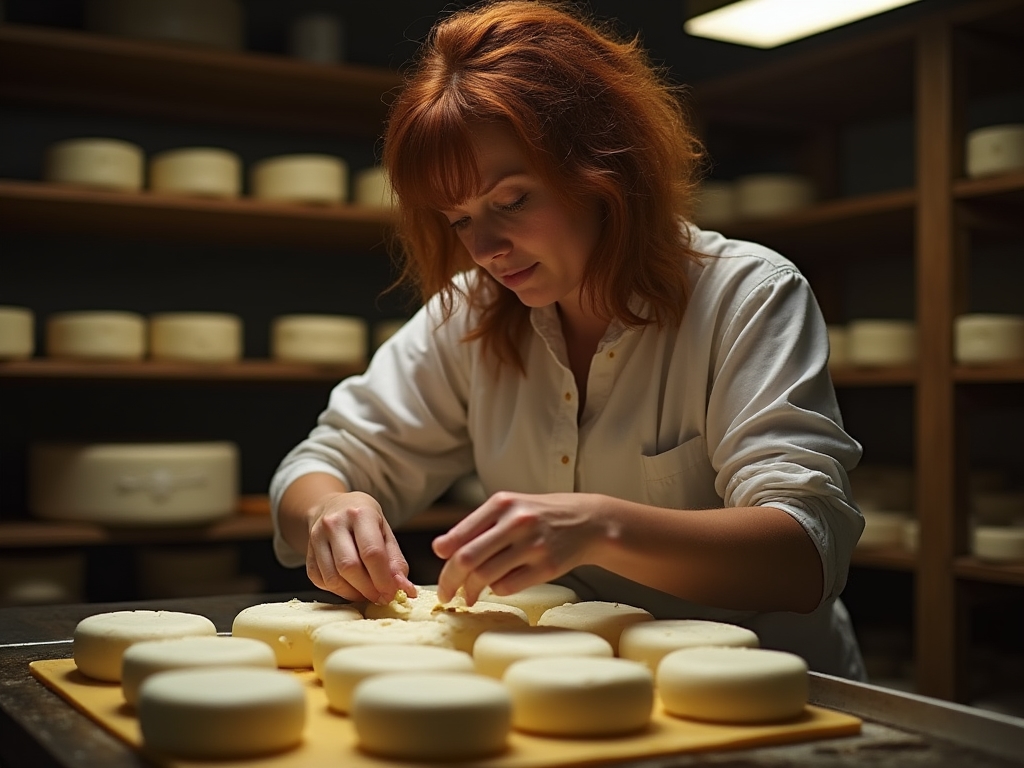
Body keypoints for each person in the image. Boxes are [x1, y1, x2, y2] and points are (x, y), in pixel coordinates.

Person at [271, 0, 866, 679]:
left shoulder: (747, 295)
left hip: (768, 697)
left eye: (513, 200)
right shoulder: (470, 314)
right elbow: (323, 463)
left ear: (606, 168)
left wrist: (602, 528)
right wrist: (332, 507)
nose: (486, 248)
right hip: (562, 689)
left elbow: (806, 553)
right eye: (460, 220)